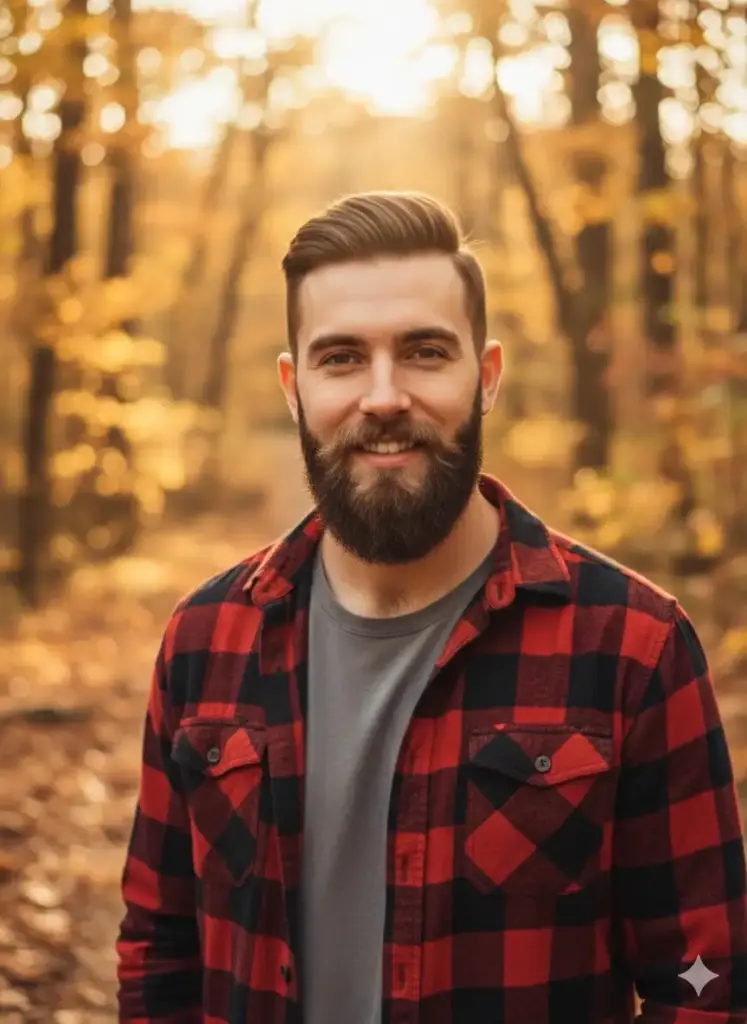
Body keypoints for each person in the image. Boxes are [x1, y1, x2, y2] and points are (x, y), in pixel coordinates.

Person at [116, 191, 747, 1024]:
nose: (383, 397)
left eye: (423, 352)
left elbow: (702, 983)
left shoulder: (633, 644)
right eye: (340, 358)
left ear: (484, 377)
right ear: (292, 386)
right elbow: (159, 953)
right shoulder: (204, 640)